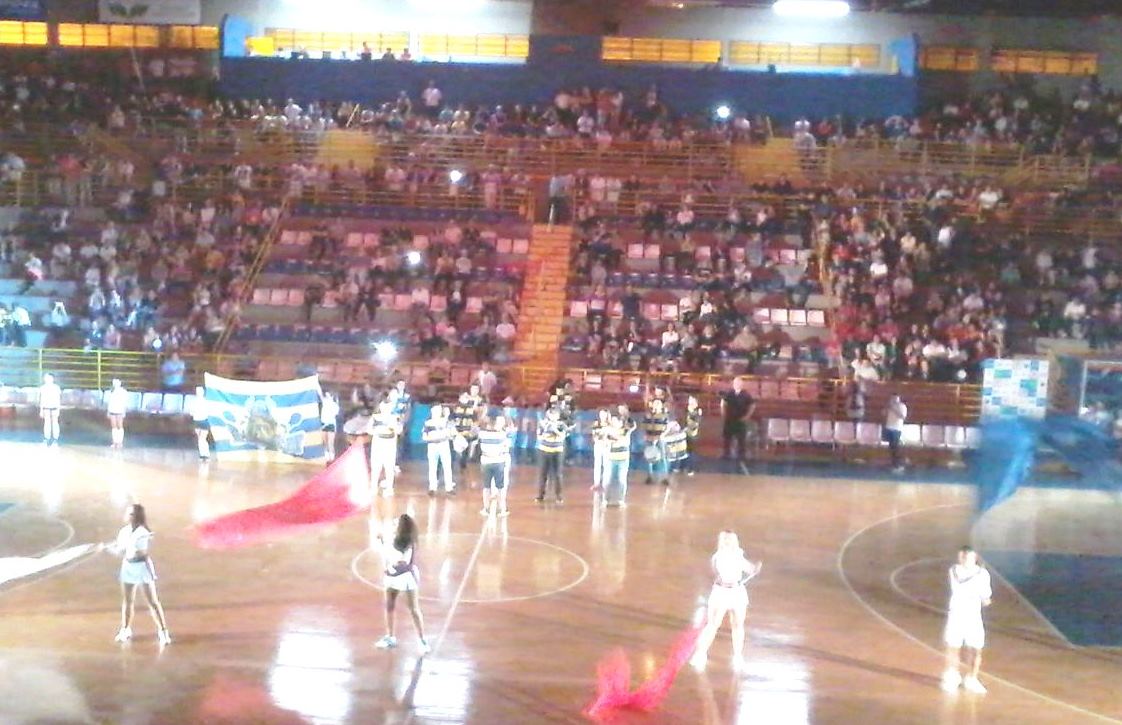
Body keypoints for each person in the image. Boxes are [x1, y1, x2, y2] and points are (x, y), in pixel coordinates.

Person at [690, 531, 762, 671]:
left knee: (737, 625)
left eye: (731, 539)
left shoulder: (737, 556)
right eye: (725, 539)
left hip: (737, 592)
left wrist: (755, 569)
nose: (728, 542)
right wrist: (752, 568)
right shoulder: (718, 557)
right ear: (722, 542)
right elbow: (721, 571)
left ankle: (737, 656)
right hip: (721, 593)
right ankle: (700, 654)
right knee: (712, 624)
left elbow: (749, 569)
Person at [100, 504, 171, 646]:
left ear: (137, 516)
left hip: (142, 567)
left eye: (131, 514)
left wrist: (130, 546)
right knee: (127, 600)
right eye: (128, 513)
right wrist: (106, 549)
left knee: (153, 601)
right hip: (128, 566)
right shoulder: (124, 532)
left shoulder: (142, 532)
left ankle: (163, 632)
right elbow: (120, 550)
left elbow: (141, 553)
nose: (128, 515)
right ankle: (125, 629)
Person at [374, 514, 430, 653]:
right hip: (392, 576)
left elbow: (400, 561)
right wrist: (382, 542)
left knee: (413, 609)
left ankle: (422, 640)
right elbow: (388, 558)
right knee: (389, 605)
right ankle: (390, 636)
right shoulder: (392, 539)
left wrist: (383, 545)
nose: (393, 524)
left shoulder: (408, 544)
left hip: (406, 578)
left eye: (396, 523)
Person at [941, 546, 992, 694]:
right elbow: (985, 598)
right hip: (956, 615)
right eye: (962, 556)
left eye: (967, 557)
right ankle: (952, 676)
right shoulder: (955, 571)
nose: (963, 559)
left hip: (973, 617)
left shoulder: (982, 574)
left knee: (976, 648)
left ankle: (972, 678)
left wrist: (984, 596)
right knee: (953, 647)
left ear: (974, 558)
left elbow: (985, 596)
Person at [478, 414, 514, 517]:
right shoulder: (502, 435)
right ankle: (498, 509)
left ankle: (490, 508)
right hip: (496, 462)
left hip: (490, 462)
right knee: (495, 487)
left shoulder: (483, 434)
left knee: (490, 487)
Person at [368, 399, 403, 496]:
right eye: (384, 406)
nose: (386, 409)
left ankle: (389, 488)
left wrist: (393, 427)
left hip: (390, 444)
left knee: (389, 467)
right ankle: (373, 487)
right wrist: (377, 431)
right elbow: (369, 430)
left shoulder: (395, 418)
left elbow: (399, 430)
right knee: (376, 467)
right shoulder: (375, 417)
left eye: (388, 407)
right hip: (378, 443)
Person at [720, 377, 755, 473]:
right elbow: (723, 403)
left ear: (742, 384)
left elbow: (752, 405)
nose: (737, 384)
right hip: (730, 419)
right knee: (727, 438)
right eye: (736, 383)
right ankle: (726, 454)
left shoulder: (746, 394)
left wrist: (747, 416)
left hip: (740, 419)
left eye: (739, 383)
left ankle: (741, 456)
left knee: (741, 439)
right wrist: (723, 413)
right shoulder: (729, 393)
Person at [536, 406, 570, 504]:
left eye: (555, 415)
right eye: (551, 415)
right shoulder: (543, 424)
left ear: (558, 416)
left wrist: (555, 430)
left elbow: (563, 436)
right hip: (544, 450)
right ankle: (540, 495)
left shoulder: (561, 425)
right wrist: (545, 430)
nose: (552, 417)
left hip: (557, 451)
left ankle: (559, 496)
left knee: (558, 474)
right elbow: (539, 436)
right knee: (543, 474)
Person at [423, 404, 456, 496]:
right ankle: (432, 487)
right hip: (432, 445)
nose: (436, 412)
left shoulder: (446, 421)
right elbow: (424, 436)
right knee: (432, 467)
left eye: (438, 411)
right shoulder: (428, 422)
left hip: (443, 444)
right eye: (434, 410)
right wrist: (430, 438)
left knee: (447, 466)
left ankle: (449, 488)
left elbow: (452, 433)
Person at [604, 414, 632, 507]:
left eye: (616, 421)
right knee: (608, 480)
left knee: (621, 480)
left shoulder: (625, 431)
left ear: (620, 422)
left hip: (623, 459)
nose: (614, 423)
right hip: (611, 458)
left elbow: (625, 442)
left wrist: (615, 439)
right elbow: (606, 442)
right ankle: (606, 499)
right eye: (612, 421)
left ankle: (620, 500)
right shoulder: (608, 431)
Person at [642, 397, 670, 485]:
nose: (656, 405)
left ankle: (665, 477)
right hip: (649, 438)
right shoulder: (648, 415)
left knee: (662, 458)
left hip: (659, 438)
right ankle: (649, 476)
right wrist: (646, 436)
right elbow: (644, 426)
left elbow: (667, 427)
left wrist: (661, 436)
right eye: (655, 403)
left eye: (658, 403)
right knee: (649, 457)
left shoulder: (664, 415)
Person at [660, 418, 690, 485]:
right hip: (669, 451)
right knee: (669, 464)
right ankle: (668, 477)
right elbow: (663, 436)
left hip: (676, 451)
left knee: (676, 462)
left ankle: (676, 473)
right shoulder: (667, 427)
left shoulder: (675, 425)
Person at [590, 408, 612, 493]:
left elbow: (612, 436)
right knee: (597, 464)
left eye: (604, 414)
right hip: (598, 445)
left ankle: (605, 484)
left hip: (606, 446)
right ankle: (596, 483)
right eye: (601, 414)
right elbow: (593, 435)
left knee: (606, 464)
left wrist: (607, 440)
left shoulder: (610, 425)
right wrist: (596, 439)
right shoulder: (596, 424)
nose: (602, 416)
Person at [884, 393, 908, 472]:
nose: (894, 400)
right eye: (892, 398)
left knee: (896, 447)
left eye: (895, 398)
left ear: (898, 399)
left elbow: (902, 417)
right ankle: (893, 463)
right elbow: (883, 413)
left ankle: (898, 464)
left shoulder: (902, 406)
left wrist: (893, 409)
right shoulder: (889, 406)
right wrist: (887, 408)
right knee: (891, 447)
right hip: (889, 427)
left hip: (896, 429)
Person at [105, 378, 129, 449]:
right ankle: (115, 442)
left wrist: (124, 411)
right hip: (112, 410)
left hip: (120, 410)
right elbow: (108, 402)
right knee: (114, 427)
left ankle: (120, 442)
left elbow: (125, 402)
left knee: (119, 426)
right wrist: (108, 411)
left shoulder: (123, 392)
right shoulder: (110, 392)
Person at [39, 372, 62, 446]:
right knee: (47, 423)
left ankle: (55, 440)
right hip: (46, 407)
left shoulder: (56, 387)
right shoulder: (42, 388)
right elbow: (42, 399)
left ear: (52, 379)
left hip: (54, 407)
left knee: (55, 423)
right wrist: (41, 410)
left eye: (48, 378)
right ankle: (46, 439)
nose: (46, 379)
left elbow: (58, 399)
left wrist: (58, 409)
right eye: (45, 378)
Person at [190, 386, 210, 460]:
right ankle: (202, 455)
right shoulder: (193, 402)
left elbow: (208, 412)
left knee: (202, 438)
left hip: (204, 421)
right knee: (200, 439)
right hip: (197, 421)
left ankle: (206, 454)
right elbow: (191, 412)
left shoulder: (206, 401)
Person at [684, 395, 702, 475]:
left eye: (692, 401)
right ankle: (683, 467)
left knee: (691, 452)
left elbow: (695, 424)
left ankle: (691, 468)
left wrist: (690, 414)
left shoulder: (697, 412)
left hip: (692, 434)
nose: (690, 403)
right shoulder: (686, 411)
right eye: (689, 401)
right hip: (685, 434)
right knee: (684, 450)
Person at [321, 390, 340, 462]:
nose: (326, 395)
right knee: (324, 441)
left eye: (328, 394)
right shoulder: (324, 401)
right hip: (323, 423)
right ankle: (326, 456)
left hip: (331, 424)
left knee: (330, 442)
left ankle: (332, 457)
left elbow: (335, 414)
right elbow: (320, 393)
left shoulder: (335, 405)